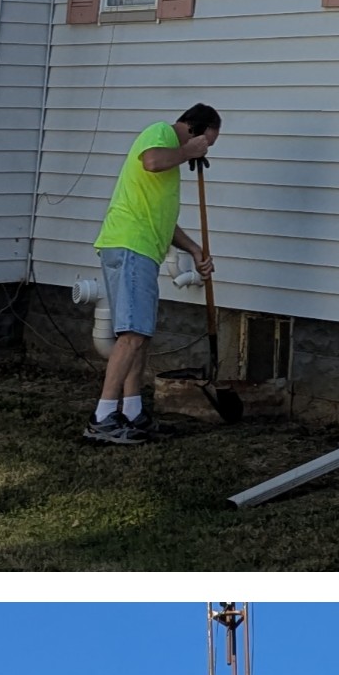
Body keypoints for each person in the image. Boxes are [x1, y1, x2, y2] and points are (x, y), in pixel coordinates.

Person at [88, 104, 220, 441]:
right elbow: (151, 161)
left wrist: (194, 249)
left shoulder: (170, 162)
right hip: (132, 246)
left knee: (140, 334)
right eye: (207, 143)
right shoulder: (160, 132)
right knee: (132, 334)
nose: (203, 153)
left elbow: (163, 220)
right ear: (193, 129)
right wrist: (187, 151)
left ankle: (132, 412)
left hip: (140, 249)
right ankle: (103, 418)